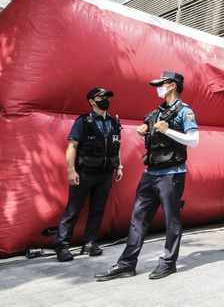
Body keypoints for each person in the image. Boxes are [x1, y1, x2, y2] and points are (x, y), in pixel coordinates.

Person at [96, 71, 199, 281]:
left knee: (171, 220)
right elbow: (154, 134)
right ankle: (127, 264)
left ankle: (168, 263)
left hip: (172, 174)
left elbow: (194, 140)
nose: (157, 88)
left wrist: (168, 130)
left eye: (161, 84)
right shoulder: (156, 112)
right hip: (150, 174)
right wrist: (144, 131)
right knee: (137, 219)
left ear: (171, 85)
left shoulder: (184, 111)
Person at [54, 88, 123, 262]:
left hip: (105, 174)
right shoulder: (82, 121)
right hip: (84, 173)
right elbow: (72, 146)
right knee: (73, 210)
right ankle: (62, 246)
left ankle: (90, 242)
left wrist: (119, 166)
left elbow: (116, 146)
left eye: (107, 97)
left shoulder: (114, 122)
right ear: (92, 101)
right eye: (101, 97)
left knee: (98, 210)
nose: (106, 99)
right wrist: (71, 170)